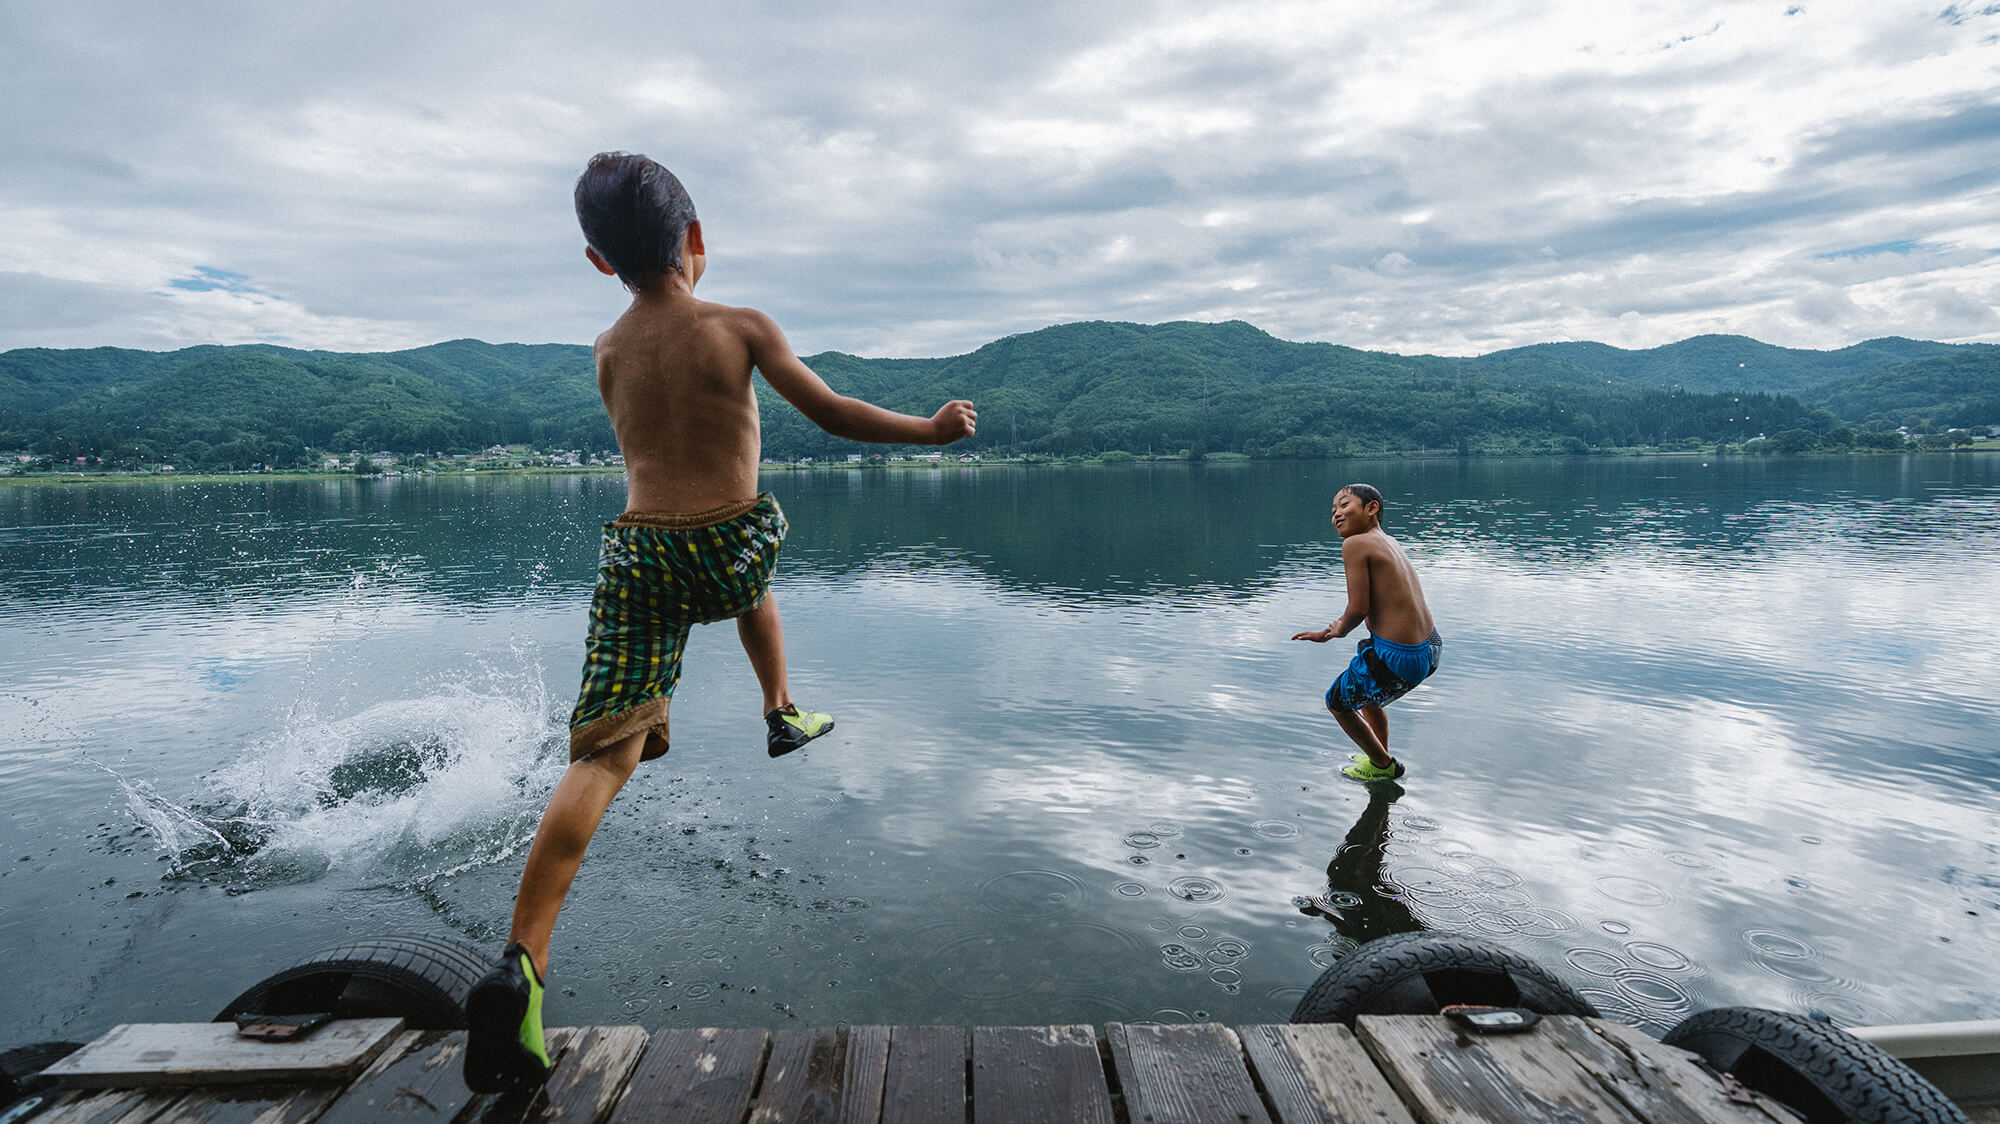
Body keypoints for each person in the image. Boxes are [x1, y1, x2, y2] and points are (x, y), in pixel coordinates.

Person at [463, 152, 977, 1093]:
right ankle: (780, 708)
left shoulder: (607, 348)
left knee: (598, 758)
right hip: (728, 546)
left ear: (597, 262)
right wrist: (930, 432)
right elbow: (830, 413)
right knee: (748, 564)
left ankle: (521, 964)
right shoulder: (738, 325)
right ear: (697, 241)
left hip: (640, 554)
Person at [1290, 484, 1442, 781]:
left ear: (1371, 508)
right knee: (1368, 698)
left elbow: (1358, 608)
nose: (1336, 514)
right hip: (1430, 647)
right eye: (1333, 510)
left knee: (1337, 702)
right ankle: (1378, 755)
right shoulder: (1388, 541)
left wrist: (1332, 632)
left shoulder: (1355, 544)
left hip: (1400, 655)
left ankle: (1383, 766)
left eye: (1344, 505)